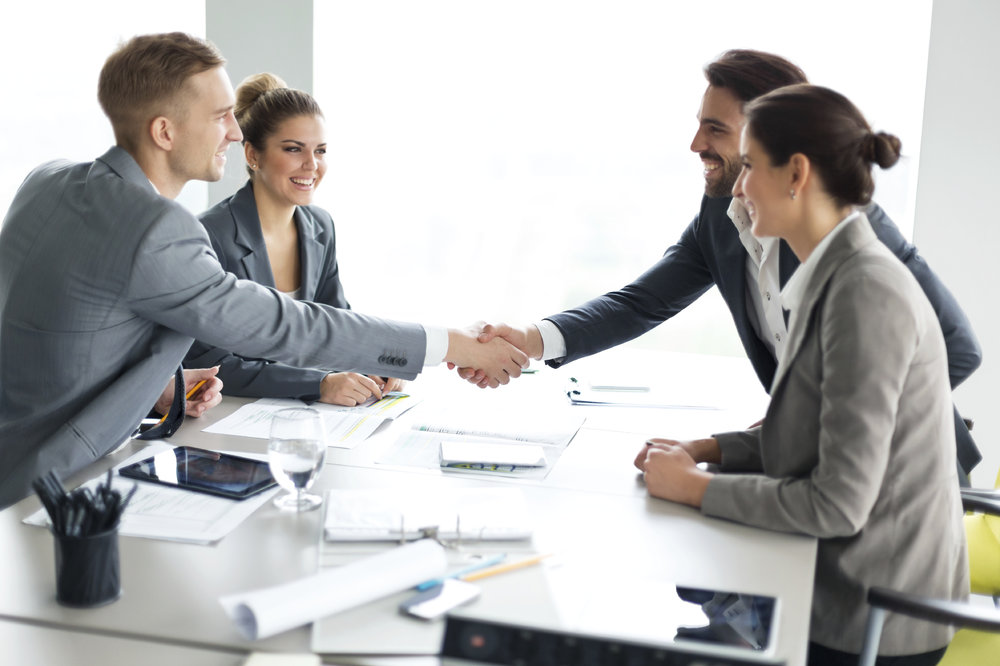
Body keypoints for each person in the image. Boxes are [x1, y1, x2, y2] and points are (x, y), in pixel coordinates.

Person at [0, 33, 526, 509]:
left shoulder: (48, 178)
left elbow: (56, 331)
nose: (233, 132)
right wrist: (450, 344)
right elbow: (289, 326)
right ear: (164, 131)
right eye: (220, 116)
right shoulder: (161, 229)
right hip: (41, 485)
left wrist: (159, 386)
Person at [468, 49, 982, 483]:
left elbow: (956, 351)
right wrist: (531, 339)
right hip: (810, 473)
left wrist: (827, 423)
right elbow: (642, 302)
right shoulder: (724, 214)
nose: (696, 145)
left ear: (769, 136)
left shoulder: (854, 233)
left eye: (714, 129)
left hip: (901, 481)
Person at [637, 84, 967, 666]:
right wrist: (704, 448)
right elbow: (812, 433)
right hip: (839, 586)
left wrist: (696, 486)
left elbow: (838, 505)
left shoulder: (865, 291)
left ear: (796, 173)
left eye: (751, 168)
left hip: (870, 617)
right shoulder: (833, 273)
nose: (737, 187)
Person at [185, 73, 403, 406]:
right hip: (230, 415)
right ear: (252, 155)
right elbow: (210, 363)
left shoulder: (320, 226)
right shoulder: (209, 236)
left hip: (303, 415)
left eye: (321, 150)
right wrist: (320, 384)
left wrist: (374, 362)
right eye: (293, 149)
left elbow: (335, 325)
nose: (312, 165)